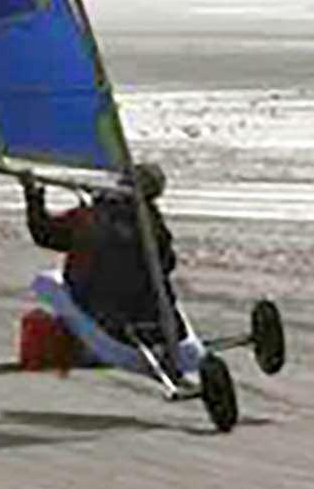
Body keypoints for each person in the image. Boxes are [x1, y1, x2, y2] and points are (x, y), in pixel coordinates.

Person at [21, 161, 198, 378]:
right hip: (146, 303)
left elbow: (45, 234)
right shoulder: (152, 221)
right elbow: (167, 262)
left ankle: (81, 345)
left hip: (98, 300)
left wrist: (33, 196)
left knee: (60, 285)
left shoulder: (90, 216)